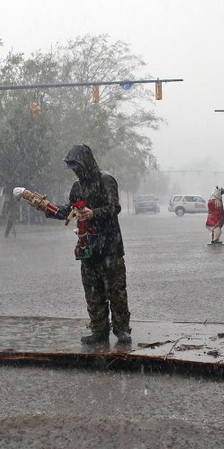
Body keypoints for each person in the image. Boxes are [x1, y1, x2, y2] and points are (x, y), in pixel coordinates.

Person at [44, 144, 132, 345]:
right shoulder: (77, 187)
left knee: (116, 291)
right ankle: (99, 330)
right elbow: (70, 210)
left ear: (87, 162)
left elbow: (114, 207)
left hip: (110, 247)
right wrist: (50, 210)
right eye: (73, 167)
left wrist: (94, 213)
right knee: (93, 292)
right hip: (88, 248)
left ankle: (121, 330)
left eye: (78, 166)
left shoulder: (106, 180)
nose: (76, 170)